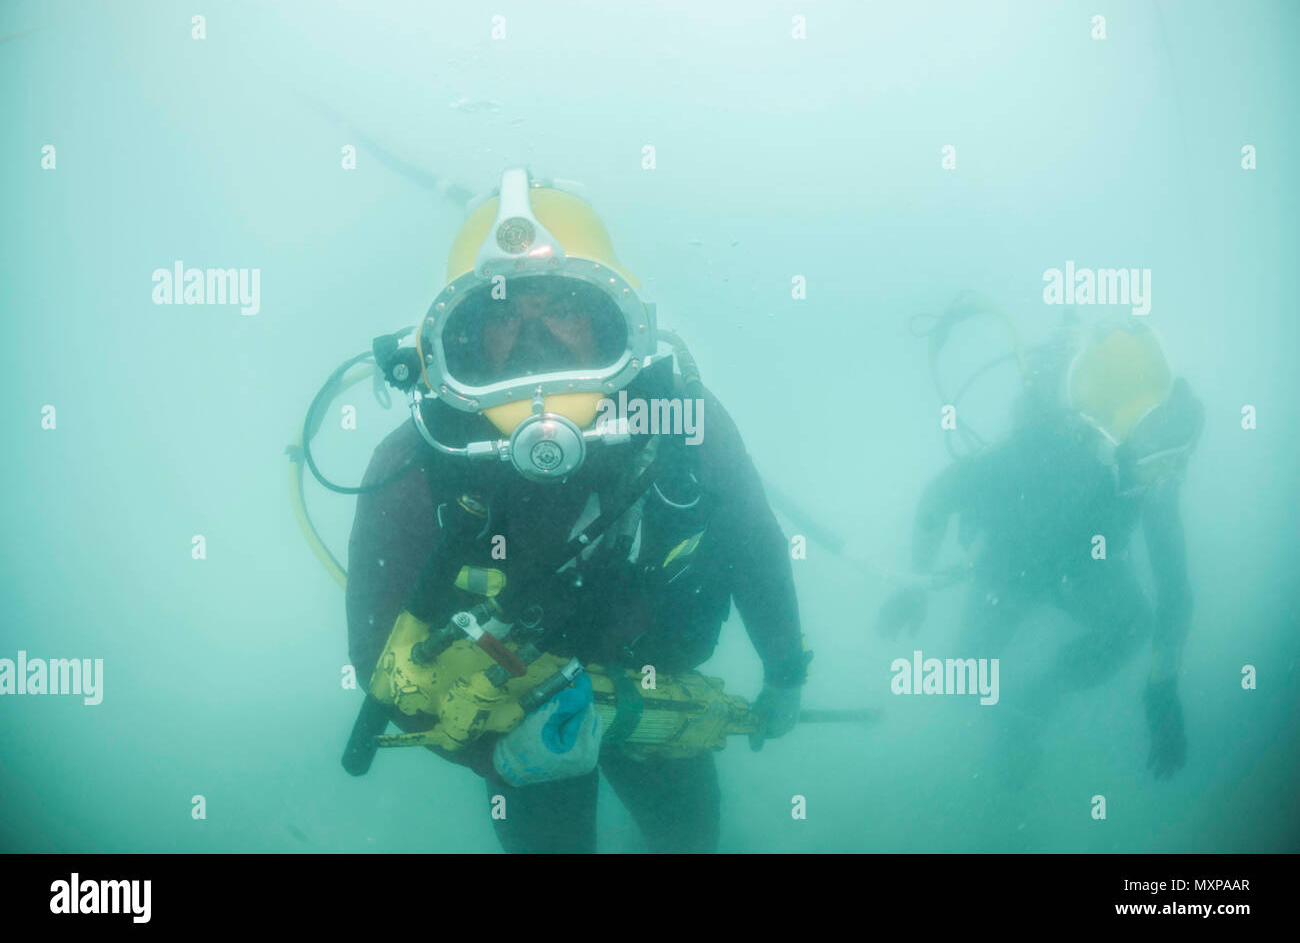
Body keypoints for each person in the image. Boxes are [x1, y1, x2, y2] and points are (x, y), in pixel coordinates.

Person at [345, 168, 808, 853]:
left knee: (689, 839)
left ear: (609, 318)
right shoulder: (418, 460)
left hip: (657, 698)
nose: (534, 337)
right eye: (503, 313)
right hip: (515, 724)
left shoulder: (683, 422)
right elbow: (381, 657)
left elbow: (756, 546)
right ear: (462, 334)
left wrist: (784, 672)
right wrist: (495, 758)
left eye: (560, 306)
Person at [879, 320, 1202, 783]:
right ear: (1106, 436)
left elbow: (1174, 585)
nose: (1168, 474)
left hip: (1085, 568)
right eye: (1153, 455)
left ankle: (1032, 708)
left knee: (1132, 625)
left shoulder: (1148, 468)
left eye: (1172, 451)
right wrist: (916, 586)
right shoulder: (1038, 450)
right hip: (1010, 568)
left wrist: (1163, 687)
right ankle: (1006, 717)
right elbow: (939, 495)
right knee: (965, 689)